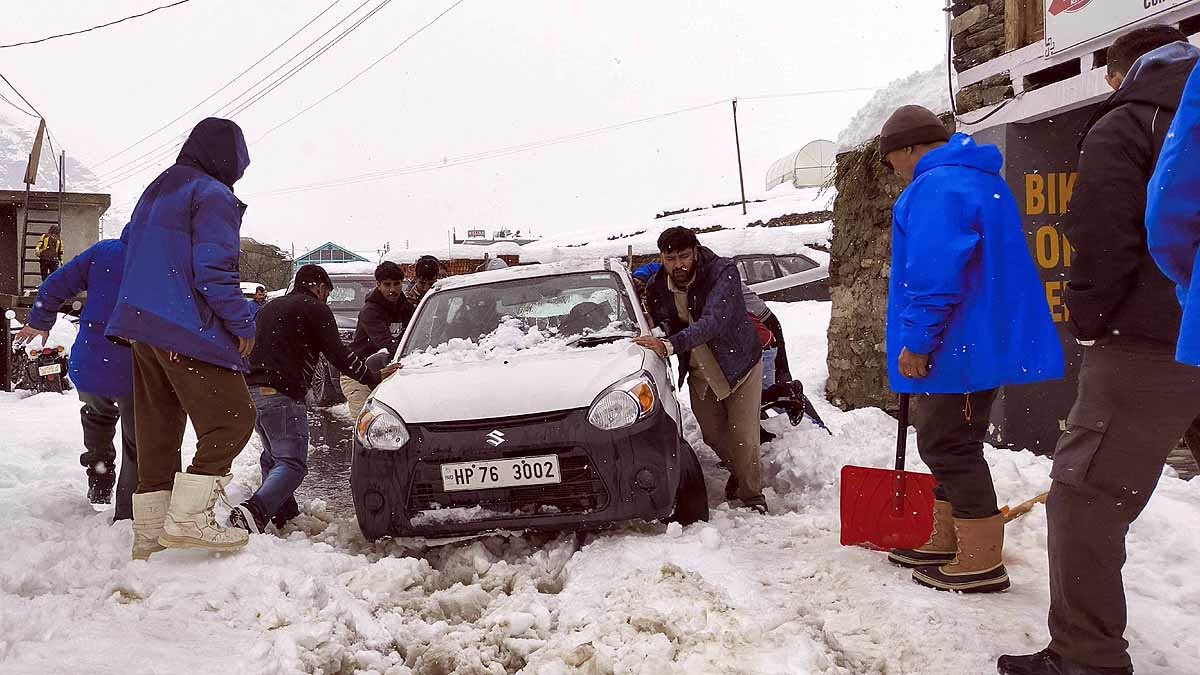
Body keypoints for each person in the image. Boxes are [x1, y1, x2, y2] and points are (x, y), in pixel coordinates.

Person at [1001, 28, 1200, 675]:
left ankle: (1086, 657)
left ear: (1120, 73)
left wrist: (1089, 319)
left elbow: (1102, 232)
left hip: (1154, 340)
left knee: (1086, 497)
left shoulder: (1132, 118)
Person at [878, 105, 1063, 594]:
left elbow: (935, 276)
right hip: (975, 341)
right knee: (952, 441)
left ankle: (980, 560)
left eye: (890, 159)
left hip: (955, 345)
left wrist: (918, 341)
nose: (893, 170)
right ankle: (949, 540)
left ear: (908, 148)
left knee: (948, 445)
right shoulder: (978, 180)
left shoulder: (937, 187)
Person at [106, 117, 257, 560]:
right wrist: (242, 324)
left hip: (143, 327)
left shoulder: (156, 191)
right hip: (184, 326)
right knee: (233, 419)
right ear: (227, 157)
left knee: (159, 431)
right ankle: (191, 519)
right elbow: (214, 270)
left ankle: (150, 535)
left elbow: (132, 250)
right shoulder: (211, 194)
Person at [230, 265, 396, 533]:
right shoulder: (315, 309)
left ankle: (284, 514)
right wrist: (371, 376)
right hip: (281, 393)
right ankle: (254, 512)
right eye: (327, 293)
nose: (326, 299)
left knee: (273, 456)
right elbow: (338, 354)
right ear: (318, 286)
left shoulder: (269, 307)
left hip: (252, 390)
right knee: (292, 463)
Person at [634, 227, 768, 514]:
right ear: (661, 258)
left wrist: (670, 344)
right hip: (700, 372)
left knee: (744, 438)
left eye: (684, 256)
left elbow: (714, 321)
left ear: (695, 252)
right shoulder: (658, 287)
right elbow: (666, 322)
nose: (678, 265)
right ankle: (740, 471)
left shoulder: (722, 273)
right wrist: (655, 323)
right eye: (671, 259)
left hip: (739, 364)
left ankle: (752, 496)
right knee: (713, 435)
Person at [14, 238, 138, 520]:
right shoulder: (165, 253)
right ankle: (130, 512)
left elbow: (53, 286)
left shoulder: (105, 251)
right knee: (138, 441)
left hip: (93, 358)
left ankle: (100, 479)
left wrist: (40, 321)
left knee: (97, 415)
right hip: (136, 364)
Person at [342, 261, 414, 419]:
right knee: (367, 421)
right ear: (378, 285)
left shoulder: (406, 308)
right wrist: (411, 354)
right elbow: (386, 343)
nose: (393, 289)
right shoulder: (370, 311)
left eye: (397, 284)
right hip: (357, 373)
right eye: (387, 285)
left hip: (387, 369)